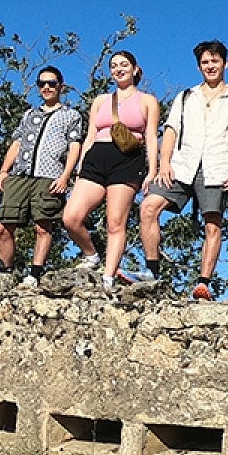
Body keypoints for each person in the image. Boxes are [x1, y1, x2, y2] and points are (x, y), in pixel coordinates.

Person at [138, 40, 228, 301]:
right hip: (181, 165)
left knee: (213, 222)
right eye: (205, 62)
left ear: (226, 63)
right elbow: (170, 130)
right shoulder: (186, 96)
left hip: (217, 167)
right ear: (199, 66)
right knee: (148, 207)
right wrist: (163, 163)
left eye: (215, 61)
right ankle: (151, 272)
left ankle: (203, 283)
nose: (210, 66)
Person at [61, 50, 159, 291]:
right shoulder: (101, 100)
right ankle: (91, 255)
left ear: (135, 69)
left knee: (115, 222)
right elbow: (91, 135)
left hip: (127, 160)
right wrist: (81, 164)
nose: (118, 69)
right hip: (97, 157)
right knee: (71, 217)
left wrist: (152, 170)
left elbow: (151, 136)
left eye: (123, 64)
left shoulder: (147, 101)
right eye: (114, 66)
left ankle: (108, 276)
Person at [0, 66, 83, 287]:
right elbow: (17, 142)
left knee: (43, 226)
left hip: (49, 175)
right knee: (4, 227)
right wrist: (4, 170)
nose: (46, 87)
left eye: (51, 83)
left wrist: (66, 176)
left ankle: (35, 273)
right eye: (42, 83)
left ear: (60, 86)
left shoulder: (71, 115)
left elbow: (74, 146)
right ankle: (6, 273)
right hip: (20, 174)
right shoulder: (29, 115)